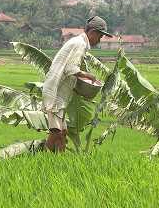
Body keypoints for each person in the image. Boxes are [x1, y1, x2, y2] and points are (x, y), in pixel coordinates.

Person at [42, 15, 113, 152]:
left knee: (62, 132)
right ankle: (44, 159)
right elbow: (70, 69)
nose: (99, 40)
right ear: (92, 32)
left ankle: (56, 161)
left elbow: (67, 70)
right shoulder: (79, 44)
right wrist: (88, 75)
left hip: (58, 91)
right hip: (56, 93)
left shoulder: (77, 42)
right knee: (56, 132)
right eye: (100, 36)